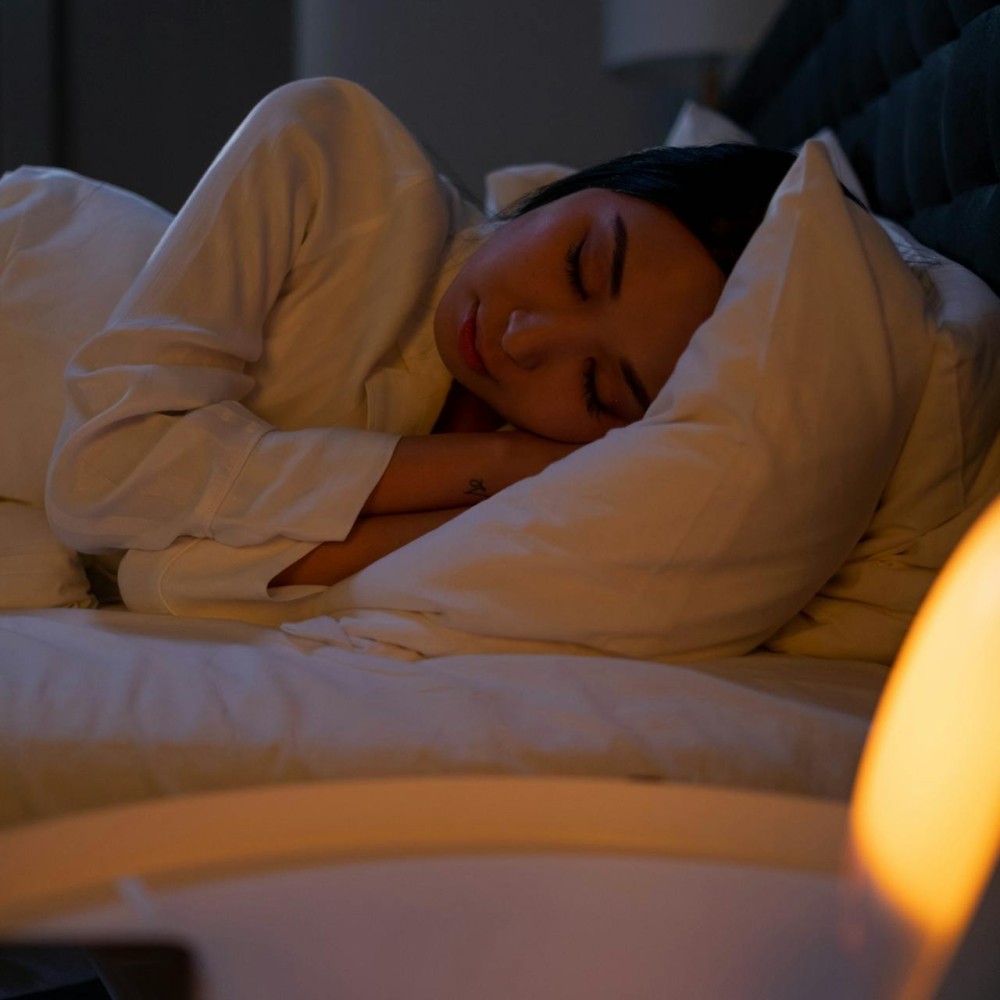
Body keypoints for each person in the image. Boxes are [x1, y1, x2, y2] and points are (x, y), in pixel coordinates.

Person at [30, 78, 792, 611]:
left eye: (598, 387)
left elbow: (164, 582)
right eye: (577, 265)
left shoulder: (532, 482)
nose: (525, 339)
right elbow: (102, 479)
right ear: (601, 180)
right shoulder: (335, 151)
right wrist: (492, 467)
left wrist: (502, 485)